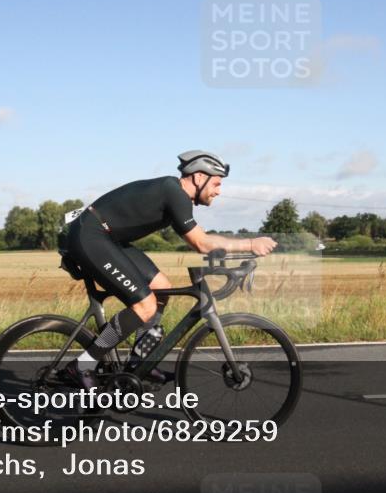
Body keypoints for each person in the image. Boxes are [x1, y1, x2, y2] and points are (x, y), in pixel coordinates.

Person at [59, 150, 277, 388]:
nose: (218, 190)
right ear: (197, 177)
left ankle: (141, 363)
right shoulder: (174, 193)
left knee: (161, 288)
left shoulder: (175, 195)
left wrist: (242, 252)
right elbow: (202, 243)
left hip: (109, 239)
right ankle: (82, 365)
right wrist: (250, 244)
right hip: (90, 236)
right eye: (216, 183)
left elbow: (203, 239)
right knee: (145, 305)